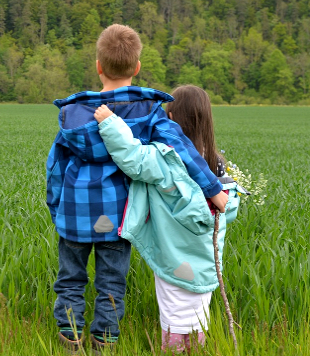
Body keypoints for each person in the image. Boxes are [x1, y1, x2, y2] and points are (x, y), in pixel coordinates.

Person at [46, 25, 228, 354]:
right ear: (138, 67)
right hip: (118, 214)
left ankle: (69, 339)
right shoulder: (148, 113)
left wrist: (56, 207)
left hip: (74, 212)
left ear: (98, 66)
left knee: (70, 277)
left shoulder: (72, 115)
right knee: (111, 281)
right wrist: (214, 190)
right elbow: (183, 151)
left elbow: (55, 166)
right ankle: (105, 341)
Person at [93, 85, 243, 353]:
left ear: (170, 120)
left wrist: (110, 123)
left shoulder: (167, 159)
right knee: (198, 316)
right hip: (206, 261)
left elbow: (132, 156)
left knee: (174, 316)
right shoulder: (218, 165)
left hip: (173, 256)